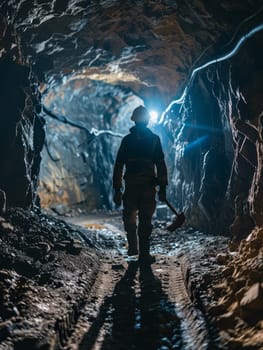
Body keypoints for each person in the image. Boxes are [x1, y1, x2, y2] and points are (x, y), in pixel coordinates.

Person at [112, 105, 168, 263]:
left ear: (134, 121)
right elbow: (161, 164)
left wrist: (117, 189)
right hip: (147, 187)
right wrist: (162, 187)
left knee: (129, 218)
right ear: (148, 120)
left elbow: (119, 165)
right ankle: (144, 253)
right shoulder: (154, 139)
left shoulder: (127, 140)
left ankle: (133, 249)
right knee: (145, 220)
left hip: (131, 186)